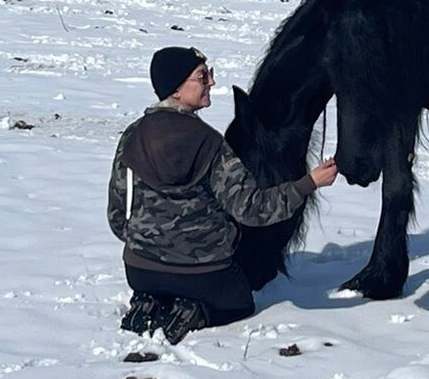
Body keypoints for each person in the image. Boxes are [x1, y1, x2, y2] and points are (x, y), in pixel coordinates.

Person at [108, 45, 337, 342]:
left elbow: (116, 214)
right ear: (176, 89)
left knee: (160, 281)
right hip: (204, 276)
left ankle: (148, 301)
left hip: (139, 271)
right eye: (202, 77)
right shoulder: (210, 144)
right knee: (240, 304)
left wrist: (148, 245)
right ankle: (195, 312)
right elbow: (253, 210)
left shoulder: (132, 135)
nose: (211, 83)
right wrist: (309, 183)